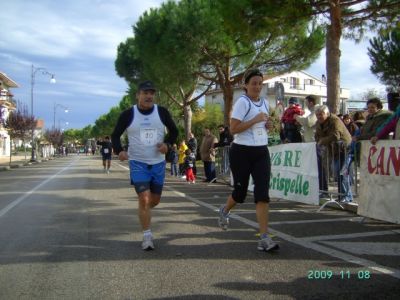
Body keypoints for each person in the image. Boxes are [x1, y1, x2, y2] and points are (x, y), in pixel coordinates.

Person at [111, 80, 178, 251]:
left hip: (158, 163)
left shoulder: (161, 112)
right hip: (138, 162)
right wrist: (119, 151)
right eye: (145, 93)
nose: (149, 96)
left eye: (151, 93)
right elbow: (115, 135)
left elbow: (174, 131)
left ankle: (144, 210)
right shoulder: (128, 114)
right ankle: (147, 236)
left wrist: (167, 145)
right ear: (138, 95)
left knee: (154, 200)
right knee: (144, 198)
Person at [218, 69, 279, 252]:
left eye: (260, 83)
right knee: (240, 193)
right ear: (246, 85)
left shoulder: (266, 103)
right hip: (241, 152)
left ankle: (264, 238)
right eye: (254, 83)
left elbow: (265, 126)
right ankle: (225, 210)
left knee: (262, 194)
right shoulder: (242, 103)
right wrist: (255, 119)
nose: (257, 87)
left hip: (261, 151)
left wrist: (268, 125)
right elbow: (233, 129)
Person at [315, 105, 353, 202]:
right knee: (337, 172)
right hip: (334, 150)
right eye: (317, 114)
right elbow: (317, 136)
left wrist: (322, 141)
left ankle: (346, 196)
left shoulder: (335, 120)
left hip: (345, 149)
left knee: (342, 172)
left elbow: (336, 135)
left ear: (327, 113)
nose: (319, 116)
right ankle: (341, 196)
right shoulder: (319, 123)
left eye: (321, 114)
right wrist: (320, 141)